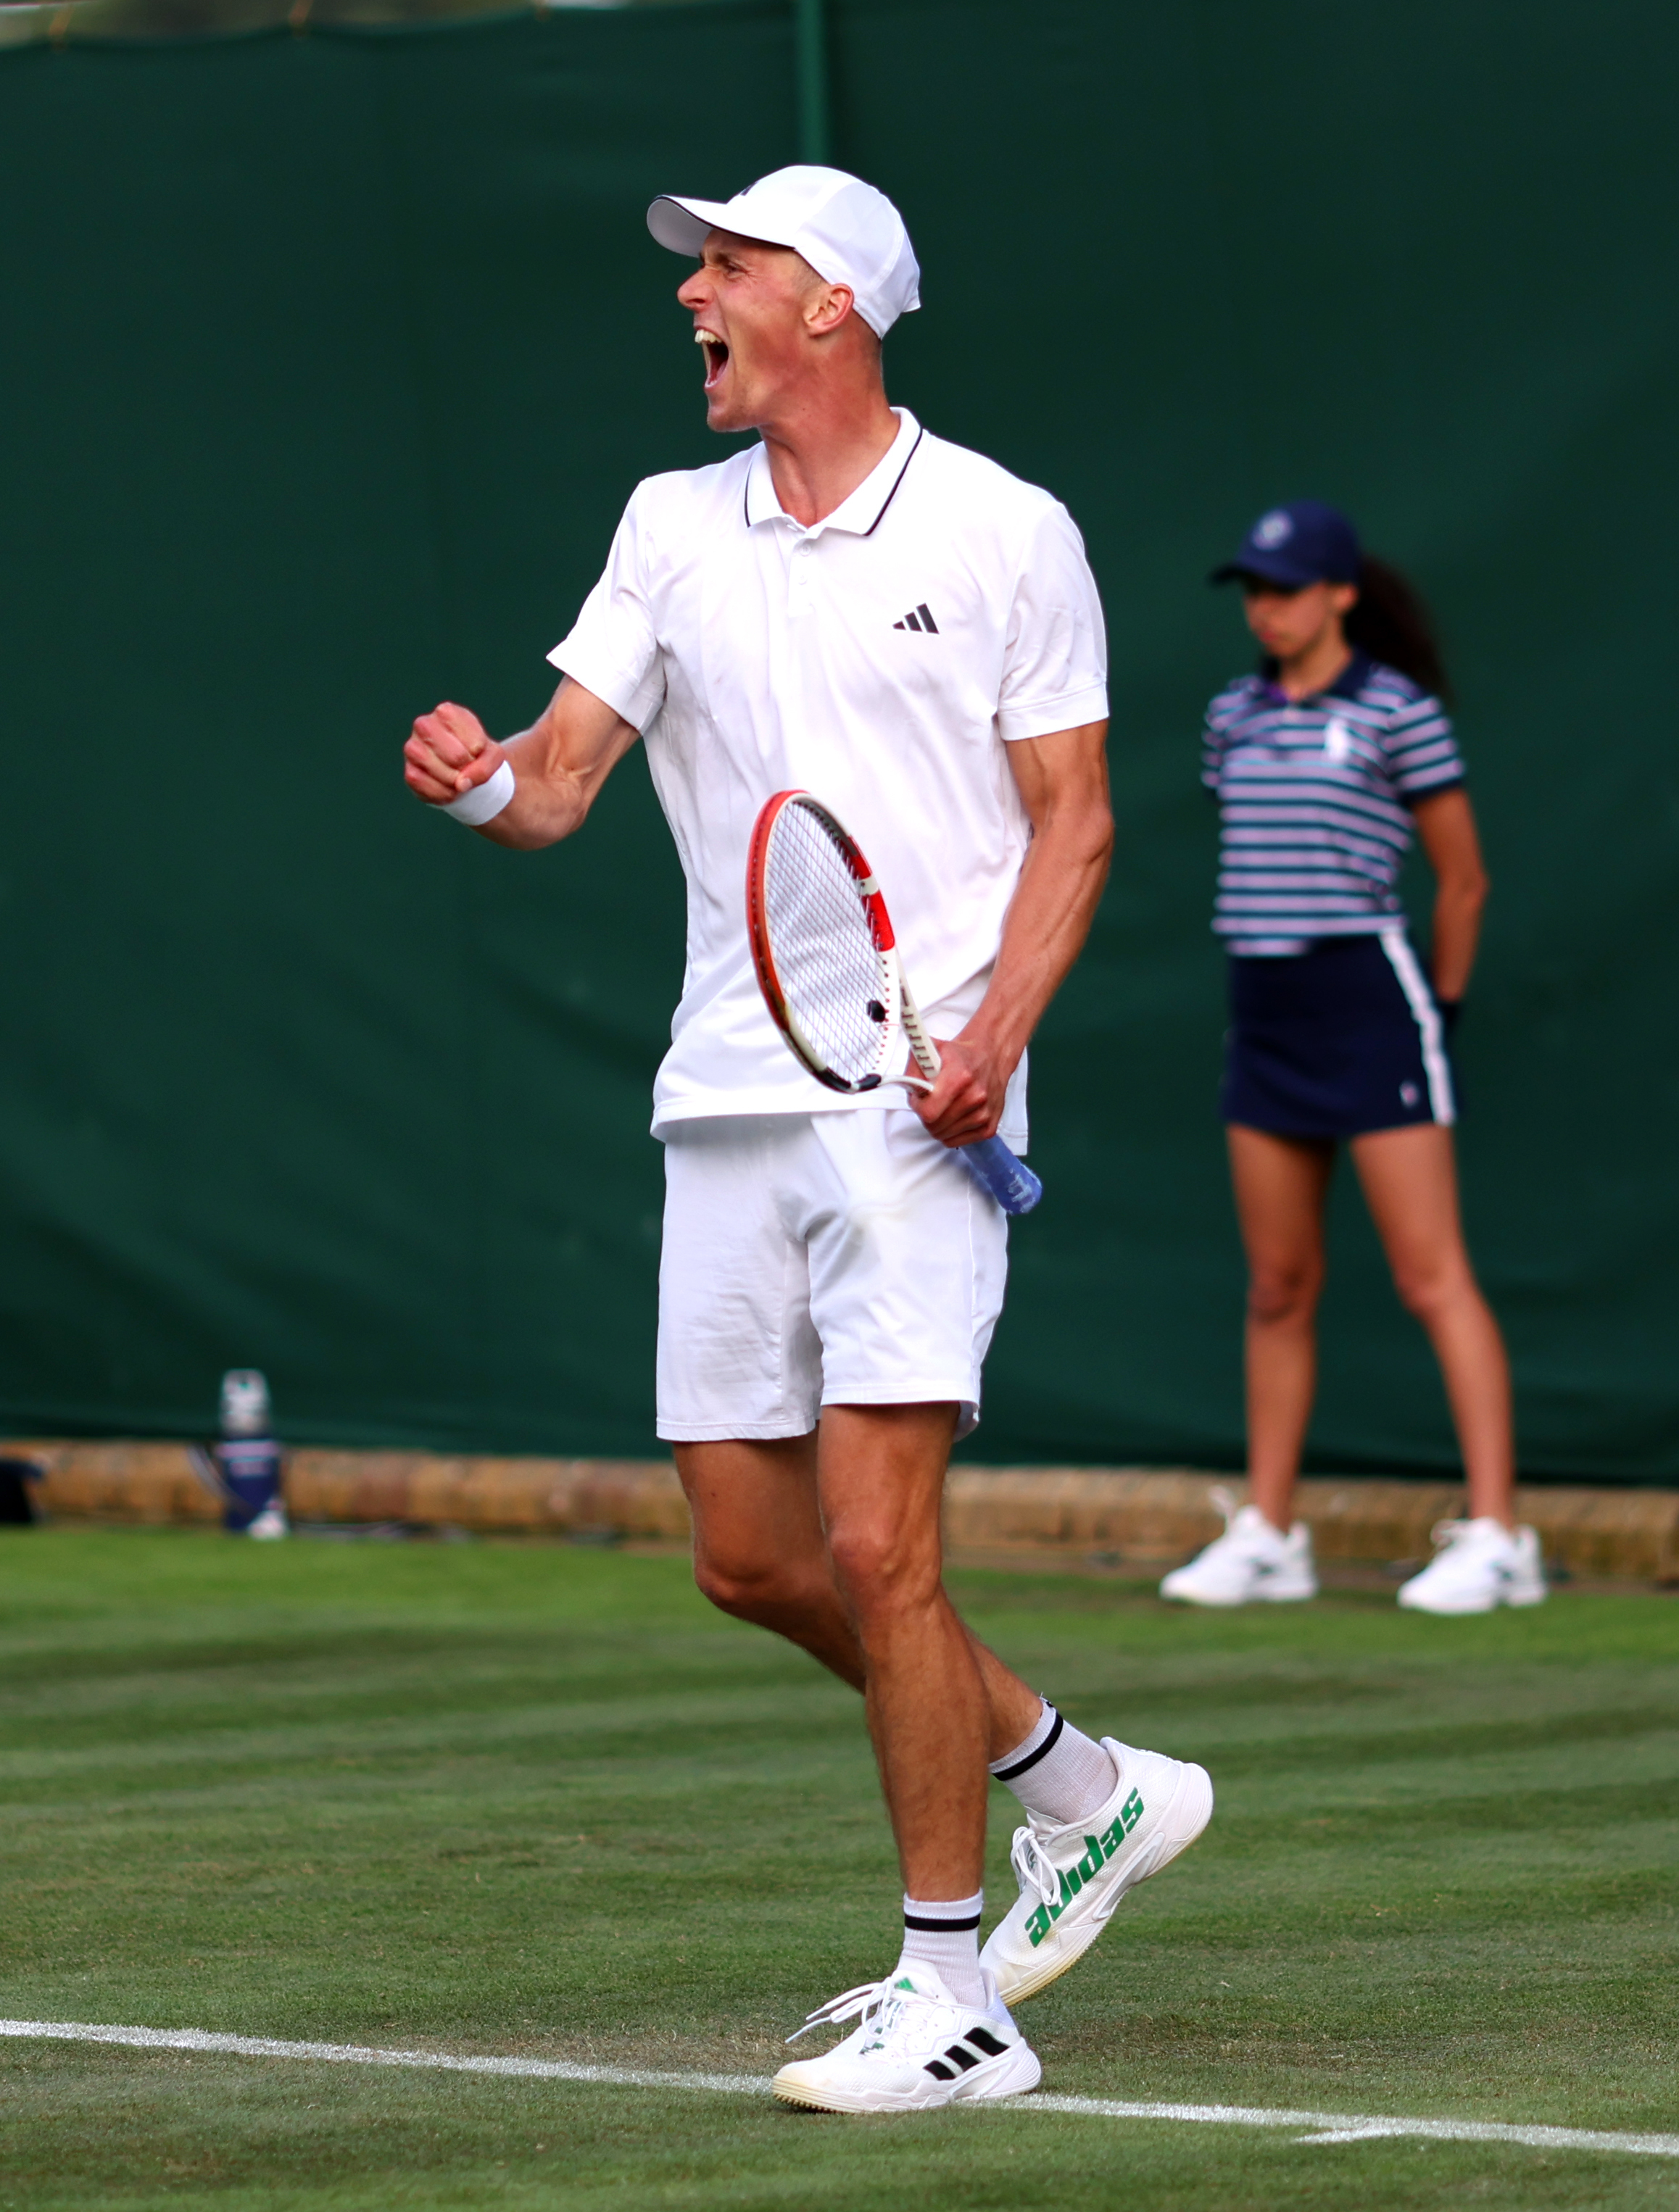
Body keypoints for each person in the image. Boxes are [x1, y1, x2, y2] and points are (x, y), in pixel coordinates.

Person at [404, 167, 1213, 2114]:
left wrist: (991, 1037)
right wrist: (478, 784)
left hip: (916, 1113)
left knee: (878, 1534)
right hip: (725, 1095)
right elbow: (561, 779)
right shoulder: (670, 527)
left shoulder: (1007, 530)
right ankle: (1078, 1783)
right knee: (754, 1556)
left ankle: (956, 1994)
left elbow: (1074, 823)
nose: (695, 290)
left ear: (831, 304)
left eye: (731, 264)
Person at [1161, 501, 1543, 1616]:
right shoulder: (1230, 715)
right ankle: (1273, 1533)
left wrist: (1445, 1008)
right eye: (1255, 590)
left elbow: (1462, 879)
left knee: (1433, 1276)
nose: (1266, 609)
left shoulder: (1399, 713)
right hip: (1264, 1009)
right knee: (1278, 1286)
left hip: (1371, 1005)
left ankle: (1499, 1535)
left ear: (1341, 597)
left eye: (1287, 588)